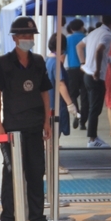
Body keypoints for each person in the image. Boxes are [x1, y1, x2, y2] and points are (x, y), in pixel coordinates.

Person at [0, 16, 55, 221]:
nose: (28, 38)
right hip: (13, 128)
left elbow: (44, 92)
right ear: (15, 38)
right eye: (24, 35)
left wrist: (46, 121)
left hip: (35, 125)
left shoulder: (38, 61)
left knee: (36, 171)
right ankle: (8, 217)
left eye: (31, 35)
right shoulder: (3, 63)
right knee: (11, 173)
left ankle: (37, 216)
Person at [77, 15, 111, 148]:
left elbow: (79, 46)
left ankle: (93, 136)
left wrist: (83, 63)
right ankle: (92, 139)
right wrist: (98, 70)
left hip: (87, 74)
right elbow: (99, 50)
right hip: (96, 76)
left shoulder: (93, 32)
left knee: (93, 106)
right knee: (95, 108)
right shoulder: (107, 34)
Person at [46, 33, 79, 174]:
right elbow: (60, 85)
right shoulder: (56, 64)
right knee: (54, 137)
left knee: (50, 137)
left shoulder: (47, 60)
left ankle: (51, 163)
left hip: (49, 104)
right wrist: (70, 104)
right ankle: (54, 165)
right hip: (56, 105)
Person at [66, 19, 88, 130]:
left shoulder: (68, 39)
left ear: (71, 29)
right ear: (82, 27)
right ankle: (83, 122)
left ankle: (77, 113)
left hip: (72, 70)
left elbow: (64, 54)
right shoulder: (87, 38)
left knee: (72, 94)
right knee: (85, 96)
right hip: (85, 69)